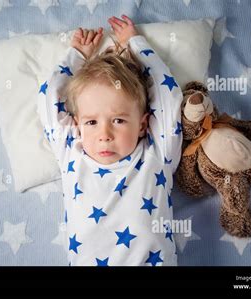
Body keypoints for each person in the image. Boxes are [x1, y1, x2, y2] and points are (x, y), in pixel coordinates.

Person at [37, 15, 183, 266]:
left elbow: (167, 95)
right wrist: (76, 55)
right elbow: (49, 97)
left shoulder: (156, 154)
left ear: (143, 124)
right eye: (91, 122)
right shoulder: (73, 153)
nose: (104, 134)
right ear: (78, 124)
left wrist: (136, 44)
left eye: (118, 120)